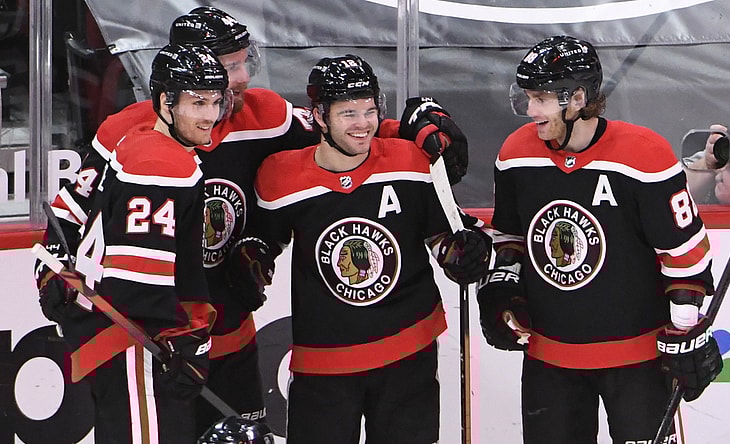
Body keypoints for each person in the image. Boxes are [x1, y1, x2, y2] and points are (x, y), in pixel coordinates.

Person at [34, 6, 468, 437]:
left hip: (225, 334)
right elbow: (71, 210)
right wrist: (51, 267)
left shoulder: (264, 115)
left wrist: (411, 127)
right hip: (152, 340)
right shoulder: (128, 135)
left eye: (245, 61)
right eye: (229, 66)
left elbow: (338, 129)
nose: (242, 77)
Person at [478, 35, 723, 443]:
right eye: (527, 98)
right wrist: (504, 285)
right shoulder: (516, 153)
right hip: (549, 360)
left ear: (576, 98)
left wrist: (685, 330)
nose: (530, 110)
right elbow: (510, 237)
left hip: (638, 361)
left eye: (540, 98)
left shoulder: (644, 155)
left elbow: (685, 254)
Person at [251, 54, 489, 444]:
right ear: (320, 117)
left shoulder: (409, 160)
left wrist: (462, 254)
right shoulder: (280, 175)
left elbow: (442, 235)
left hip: (407, 351)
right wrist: (250, 262)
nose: (363, 124)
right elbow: (264, 241)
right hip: (323, 360)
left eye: (369, 110)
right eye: (348, 113)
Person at [33, 43, 228, 443]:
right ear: (165, 103)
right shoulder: (161, 166)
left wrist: (49, 268)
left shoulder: (142, 142)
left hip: (113, 339)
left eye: (215, 102)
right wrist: (182, 341)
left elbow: (71, 213)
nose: (210, 115)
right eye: (197, 103)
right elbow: (139, 289)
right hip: (133, 342)